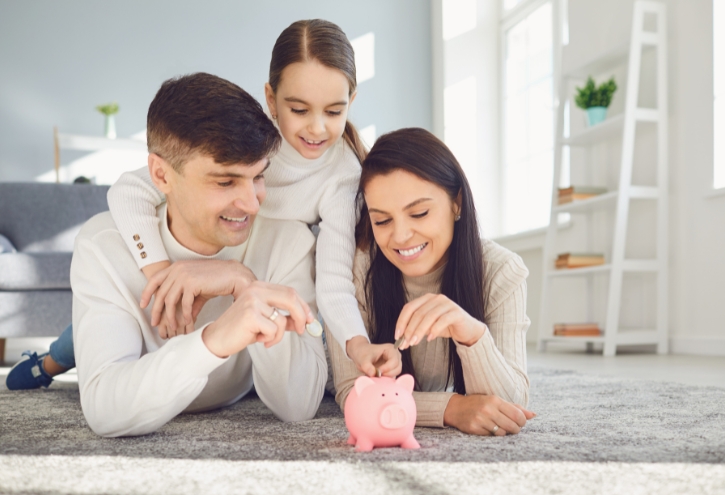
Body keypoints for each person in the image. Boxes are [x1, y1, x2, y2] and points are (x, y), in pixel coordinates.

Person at [6, 18, 400, 391]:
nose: (316, 128)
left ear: (352, 99)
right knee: (113, 322)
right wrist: (164, 275)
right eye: (299, 110)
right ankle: (51, 363)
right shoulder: (249, 142)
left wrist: (357, 345)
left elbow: (333, 281)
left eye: (334, 111)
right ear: (271, 98)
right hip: (194, 254)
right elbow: (128, 192)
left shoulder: (343, 176)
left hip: (255, 264)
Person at [68, 72, 328, 437]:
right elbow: (104, 410)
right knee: (66, 349)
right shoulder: (103, 246)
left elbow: (298, 405)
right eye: (225, 182)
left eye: (258, 177)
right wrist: (214, 340)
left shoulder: (288, 240)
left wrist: (247, 286)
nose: (252, 203)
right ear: (160, 175)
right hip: (103, 313)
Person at [327, 128, 536, 436]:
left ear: (457, 204)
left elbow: (510, 405)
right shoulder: (357, 269)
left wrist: (471, 334)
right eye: (382, 221)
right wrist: (451, 408)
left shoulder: (502, 270)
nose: (399, 236)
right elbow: (352, 393)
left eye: (419, 213)